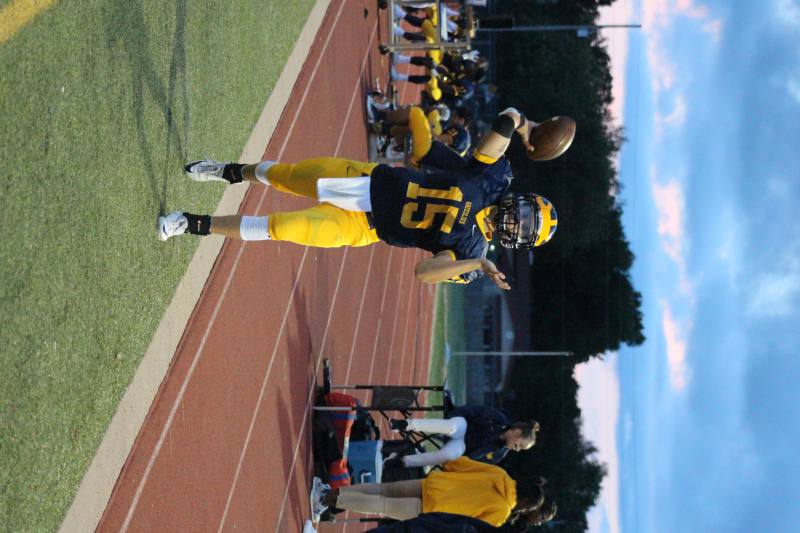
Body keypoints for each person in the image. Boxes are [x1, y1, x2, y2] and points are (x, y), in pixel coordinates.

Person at [158, 107, 561, 288]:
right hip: (369, 181)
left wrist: (477, 262)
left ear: (518, 241)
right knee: (282, 176)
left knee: (279, 228)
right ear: (521, 199)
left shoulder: (473, 252)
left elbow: (422, 274)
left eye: (525, 228)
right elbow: (505, 119)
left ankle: (189, 223)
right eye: (525, 214)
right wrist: (527, 128)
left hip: (364, 226)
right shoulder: (494, 178)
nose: (517, 221)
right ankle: (230, 172)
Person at [309, 456, 546, 527]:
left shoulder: (500, 475)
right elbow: (471, 526)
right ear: (525, 504)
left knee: (381, 488)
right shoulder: (502, 512)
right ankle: (327, 499)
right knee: (381, 506)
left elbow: (460, 464)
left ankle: (332, 492)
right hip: (432, 510)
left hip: (432, 485)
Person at [384, 407, 540, 469]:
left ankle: (402, 462)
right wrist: (455, 413)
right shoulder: (498, 418)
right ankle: (405, 424)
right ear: (517, 432)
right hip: (463, 425)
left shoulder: (499, 454)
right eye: (519, 445)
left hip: (462, 447)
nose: (517, 450)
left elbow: (472, 462)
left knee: (445, 455)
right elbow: (472, 411)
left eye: (520, 449)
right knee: (452, 426)